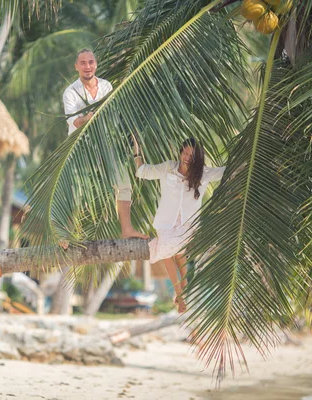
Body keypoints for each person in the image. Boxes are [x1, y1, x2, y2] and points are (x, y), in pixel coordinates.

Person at [63, 49, 147, 240]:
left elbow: (112, 116)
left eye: (90, 62)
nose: (87, 66)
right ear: (77, 66)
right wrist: (88, 118)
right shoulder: (70, 92)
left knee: (124, 183)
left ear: (96, 64)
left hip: (105, 142)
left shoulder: (106, 86)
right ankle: (70, 235)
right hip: (80, 146)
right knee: (77, 189)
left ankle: (127, 229)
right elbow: (74, 122)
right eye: (83, 63)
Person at [133, 138, 225, 313]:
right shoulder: (168, 168)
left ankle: (183, 290)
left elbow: (226, 172)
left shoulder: (203, 174)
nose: (187, 157)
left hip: (188, 224)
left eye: (191, 155)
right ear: (180, 152)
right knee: (168, 251)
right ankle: (180, 294)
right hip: (166, 221)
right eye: (185, 153)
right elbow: (142, 171)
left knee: (178, 256)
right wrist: (137, 152)